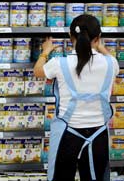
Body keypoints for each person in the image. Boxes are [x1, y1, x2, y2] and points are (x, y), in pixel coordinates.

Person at [34, 14, 119, 181]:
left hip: (67, 133)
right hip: (98, 133)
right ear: (98, 38)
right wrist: (99, 46)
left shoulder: (59, 63)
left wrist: (45, 52)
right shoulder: (111, 64)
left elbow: (38, 71)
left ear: (70, 36)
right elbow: (110, 57)